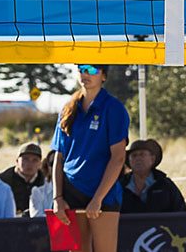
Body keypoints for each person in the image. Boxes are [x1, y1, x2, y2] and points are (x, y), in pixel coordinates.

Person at [51, 65, 129, 252]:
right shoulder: (68, 108)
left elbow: (118, 158)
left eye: (93, 70)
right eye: (82, 68)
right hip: (71, 191)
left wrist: (98, 198)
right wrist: (57, 197)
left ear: (104, 76)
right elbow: (59, 157)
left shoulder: (114, 108)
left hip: (103, 192)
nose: (86, 74)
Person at [119, 139, 186, 214]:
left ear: (152, 159)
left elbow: (181, 213)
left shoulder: (165, 185)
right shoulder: (120, 186)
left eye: (142, 154)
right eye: (134, 155)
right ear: (129, 160)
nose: (138, 158)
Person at [0, 143, 46, 217]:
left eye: (35, 160)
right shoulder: (3, 180)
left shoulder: (45, 180)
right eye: (25, 159)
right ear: (17, 161)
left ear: (40, 164)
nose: (30, 164)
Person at [29, 150, 58, 217]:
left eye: (62, 162)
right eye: (52, 163)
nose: (57, 166)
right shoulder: (37, 192)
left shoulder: (77, 190)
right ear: (47, 167)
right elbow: (37, 219)